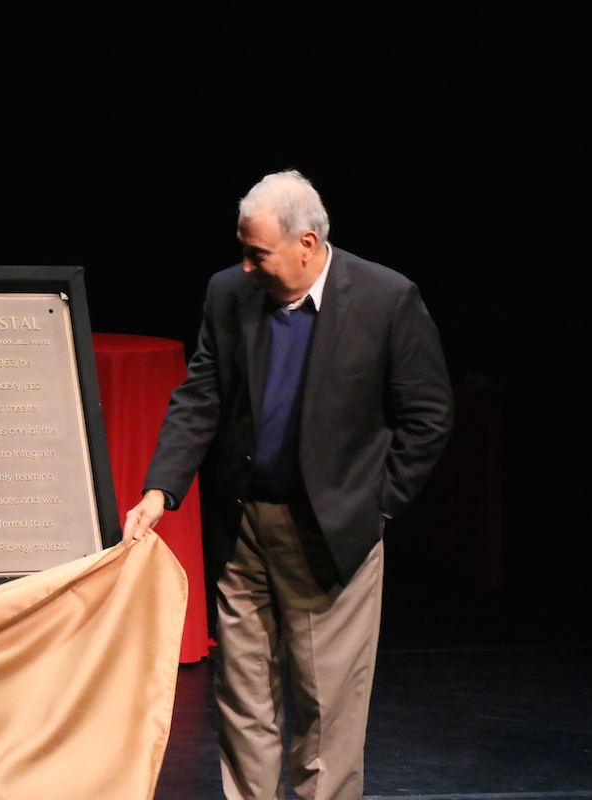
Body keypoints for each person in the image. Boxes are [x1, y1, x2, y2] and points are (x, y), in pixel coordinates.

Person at [123, 171, 453, 800]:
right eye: (243, 250)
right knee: (243, 696)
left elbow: (428, 414)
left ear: (307, 244)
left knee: (326, 708)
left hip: (330, 534)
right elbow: (201, 397)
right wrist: (161, 490)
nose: (245, 267)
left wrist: (376, 504)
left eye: (258, 253)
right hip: (243, 527)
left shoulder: (385, 298)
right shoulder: (229, 293)